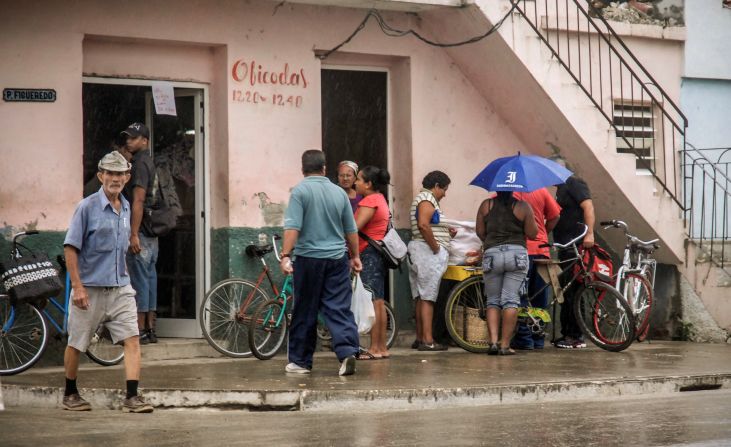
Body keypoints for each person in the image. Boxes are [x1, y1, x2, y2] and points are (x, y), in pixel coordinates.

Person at [61, 151, 153, 413]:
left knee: (132, 338)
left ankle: (132, 397)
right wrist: (77, 286)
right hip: (89, 288)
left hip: (120, 286)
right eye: (109, 173)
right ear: (101, 175)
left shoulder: (125, 207)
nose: (115, 178)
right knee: (77, 342)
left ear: (127, 177)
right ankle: (70, 393)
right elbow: (70, 248)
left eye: (119, 173)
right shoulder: (86, 207)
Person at [280, 149, 361, 376]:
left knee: (305, 309)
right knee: (338, 307)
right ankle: (346, 353)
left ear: (303, 169)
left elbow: (293, 227)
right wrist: (355, 256)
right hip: (337, 259)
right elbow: (351, 229)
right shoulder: (339, 193)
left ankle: (301, 361)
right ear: (324, 168)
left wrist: (286, 255)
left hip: (308, 259)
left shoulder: (300, 192)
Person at [476, 191, 538, 355]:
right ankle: (504, 345)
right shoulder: (523, 206)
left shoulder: (486, 205)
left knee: (493, 301)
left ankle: (493, 343)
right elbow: (533, 233)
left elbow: (480, 232)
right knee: (511, 301)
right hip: (516, 254)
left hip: (492, 254)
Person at [550, 155, 595, 349]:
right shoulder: (560, 190)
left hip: (576, 245)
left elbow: (588, 206)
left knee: (573, 290)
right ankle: (568, 333)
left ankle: (576, 336)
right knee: (566, 290)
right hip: (565, 245)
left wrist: (589, 234)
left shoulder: (574, 183)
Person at [408, 171, 455, 351]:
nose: (445, 193)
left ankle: (420, 338)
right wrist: (435, 247)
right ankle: (428, 340)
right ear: (436, 186)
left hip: (419, 250)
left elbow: (429, 224)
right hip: (426, 251)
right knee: (428, 297)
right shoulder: (427, 199)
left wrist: (445, 231)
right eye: (444, 189)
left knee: (421, 296)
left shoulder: (423, 198)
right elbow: (423, 225)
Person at [122, 123, 159, 345]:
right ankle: (151, 329)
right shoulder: (149, 161)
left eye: (134, 138)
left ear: (144, 140)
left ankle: (142, 330)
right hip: (151, 233)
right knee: (150, 279)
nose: (129, 141)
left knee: (140, 281)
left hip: (142, 232)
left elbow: (138, 200)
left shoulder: (139, 164)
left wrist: (133, 233)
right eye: (128, 137)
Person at [511, 188, 561, 350]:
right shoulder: (542, 191)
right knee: (540, 296)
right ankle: (538, 338)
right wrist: (543, 233)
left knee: (521, 296)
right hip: (541, 251)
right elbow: (555, 216)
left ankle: (524, 339)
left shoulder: (508, 191)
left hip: (521, 249)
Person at [353, 165, 392, 359]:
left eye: (359, 179)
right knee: (378, 301)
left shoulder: (370, 201)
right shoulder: (380, 199)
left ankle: (376, 348)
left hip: (368, 253)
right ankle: (381, 347)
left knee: (373, 302)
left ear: (368, 184)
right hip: (375, 253)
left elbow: (354, 227)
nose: (355, 182)